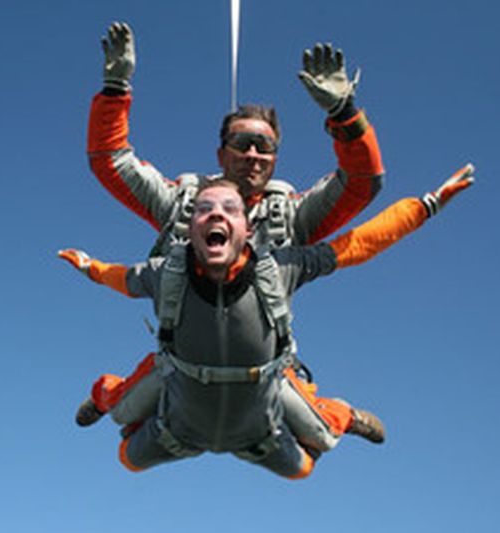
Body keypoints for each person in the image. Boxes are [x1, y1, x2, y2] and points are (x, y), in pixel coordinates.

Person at [59, 166, 474, 479]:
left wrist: (427, 205)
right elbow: (123, 278)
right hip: (180, 420)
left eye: (229, 209)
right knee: (126, 450)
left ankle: (342, 413)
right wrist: (90, 267)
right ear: (191, 226)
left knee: (309, 460)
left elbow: (360, 243)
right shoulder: (167, 273)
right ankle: (105, 392)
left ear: (246, 227)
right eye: (204, 209)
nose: (216, 216)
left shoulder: (280, 268)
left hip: (260, 420)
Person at [78, 21, 385, 425]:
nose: (254, 154)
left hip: (261, 357)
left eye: (265, 147)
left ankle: (344, 415)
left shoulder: (289, 215)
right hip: (183, 349)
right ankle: (103, 395)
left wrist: (344, 113)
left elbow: (361, 185)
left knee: (315, 429)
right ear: (221, 155)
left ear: (275, 160)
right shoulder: (181, 204)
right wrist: (115, 89)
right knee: (127, 401)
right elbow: (110, 161)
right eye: (241, 145)